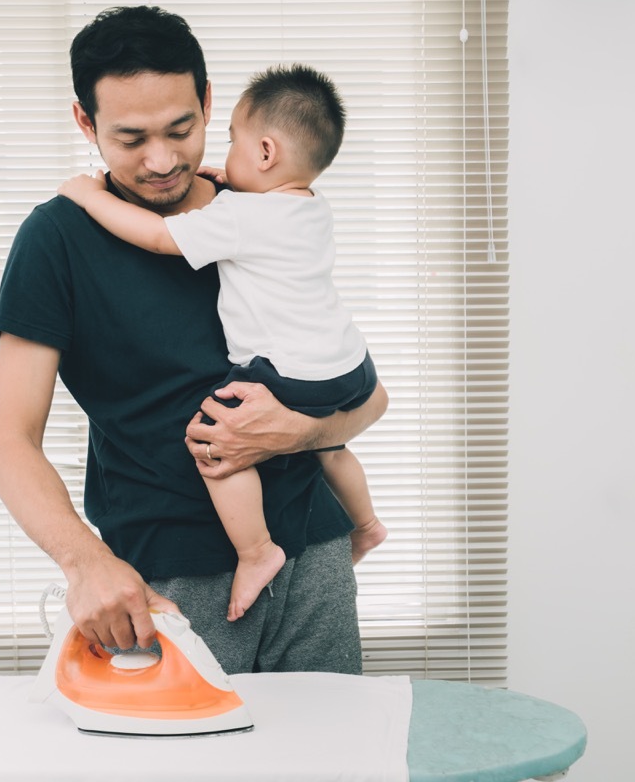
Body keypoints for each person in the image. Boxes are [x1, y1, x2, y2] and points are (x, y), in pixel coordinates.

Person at [0, 5, 388, 676]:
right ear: (86, 123)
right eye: (131, 138)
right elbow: (8, 442)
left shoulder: (264, 208)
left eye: (182, 128)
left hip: (316, 555)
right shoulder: (57, 239)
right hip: (168, 579)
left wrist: (293, 433)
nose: (164, 160)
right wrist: (86, 563)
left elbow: (369, 401)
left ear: (207, 100)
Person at [58, 64, 388, 623]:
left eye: (230, 140)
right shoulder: (311, 206)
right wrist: (235, 182)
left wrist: (87, 196)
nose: (163, 161)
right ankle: (368, 523)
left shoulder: (237, 215)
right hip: (346, 365)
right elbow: (375, 405)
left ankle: (256, 551)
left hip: (286, 373)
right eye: (133, 138)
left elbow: (161, 236)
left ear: (263, 151)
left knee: (215, 444)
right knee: (332, 448)